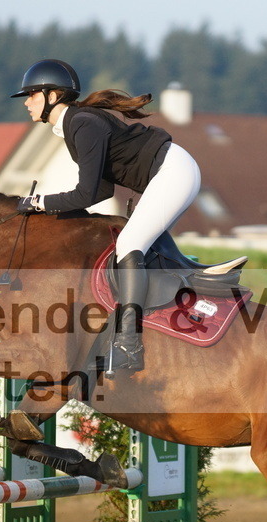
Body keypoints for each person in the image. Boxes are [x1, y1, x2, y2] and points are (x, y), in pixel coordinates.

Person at [11, 58, 201, 377]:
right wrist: (46, 205)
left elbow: (86, 194)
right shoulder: (76, 125)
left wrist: (40, 202)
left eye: (31, 95)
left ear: (52, 95)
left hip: (174, 173)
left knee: (129, 244)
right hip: (171, 172)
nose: (27, 102)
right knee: (137, 246)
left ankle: (129, 346)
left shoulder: (82, 124)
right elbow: (101, 191)